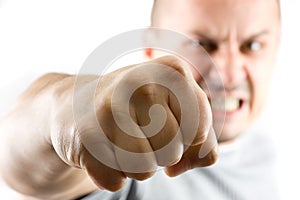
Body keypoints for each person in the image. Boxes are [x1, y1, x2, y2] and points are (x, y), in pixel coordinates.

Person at [0, 0, 281, 199]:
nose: (228, 74)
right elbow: (22, 165)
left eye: (252, 45)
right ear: (151, 47)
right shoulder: (130, 151)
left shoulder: (265, 154)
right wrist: (66, 111)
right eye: (201, 45)